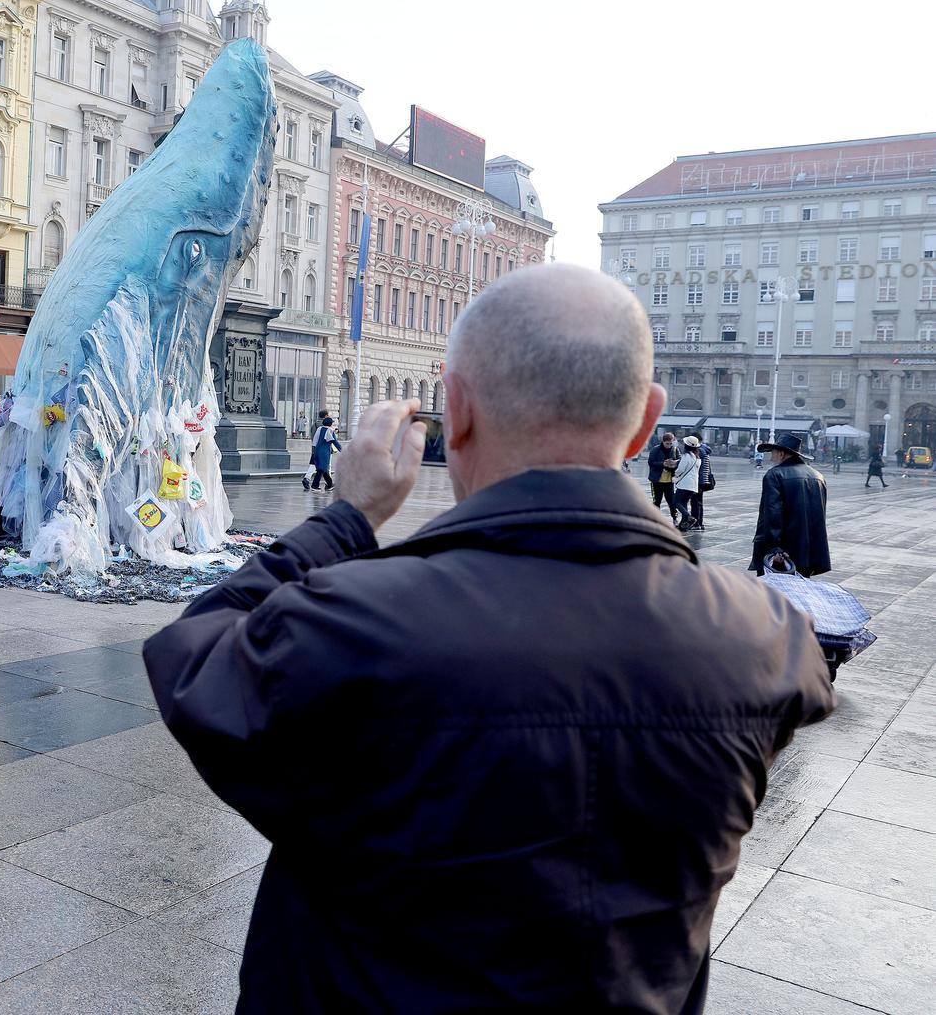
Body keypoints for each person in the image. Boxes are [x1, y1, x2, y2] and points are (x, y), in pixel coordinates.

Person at [142, 263, 833, 1014]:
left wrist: (345, 520)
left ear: (457, 409)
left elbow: (195, 656)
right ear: (645, 421)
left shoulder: (354, 624)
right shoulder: (766, 640)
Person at [752, 431, 831, 577]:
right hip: (808, 552)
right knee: (799, 593)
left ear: (782, 454)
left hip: (783, 553)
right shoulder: (818, 476)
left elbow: (772, 514)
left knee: (772, 594)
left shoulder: (775, 474)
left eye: (773, 452)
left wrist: (774, 548)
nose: (771, 457)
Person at [646, 431, 682, 524]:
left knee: (671, 501)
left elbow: (680, 460)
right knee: (657, 500)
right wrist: (663, 464)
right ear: (663, 442)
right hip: (657, 480)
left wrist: (674, 463)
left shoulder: (675, 449)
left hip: (669, 480)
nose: (669, 445)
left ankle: (675, 518)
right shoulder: (655, 450)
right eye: (667, 443)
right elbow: (651, 462)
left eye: (671, 443)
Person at [302, 415, 340, 492]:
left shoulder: (319, 429)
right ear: (330, 424)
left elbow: (315, 440)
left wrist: (314, 450)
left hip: (317, 450)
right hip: (325, 452)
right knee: (321, 469)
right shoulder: (330, 431)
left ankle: (330, 485)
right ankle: (315, 486)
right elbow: (335, 442)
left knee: (323, 469)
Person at [673, 434, 702, 532]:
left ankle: (688, 516)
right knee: (683, 503)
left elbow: (680, 469)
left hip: (685, 484)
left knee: (676, 501)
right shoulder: (697, 457)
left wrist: (675, 474)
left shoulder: (686, 456)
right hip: (693, 485)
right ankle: (683, 524)